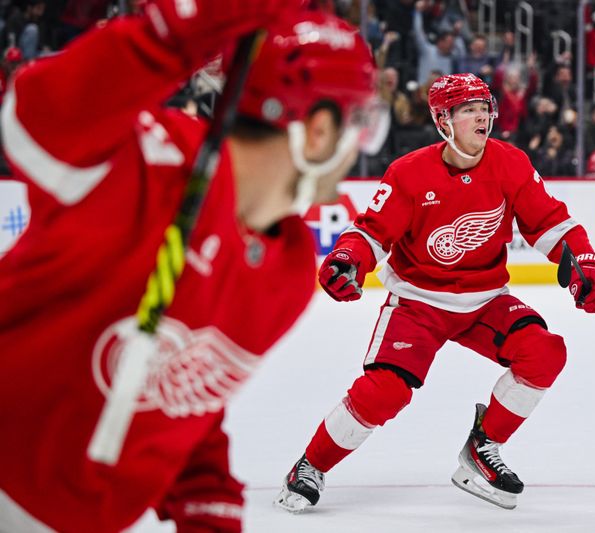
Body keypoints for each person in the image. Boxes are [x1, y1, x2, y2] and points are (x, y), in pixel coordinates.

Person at [0, 4, 382, 532]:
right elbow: (32, 117)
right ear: (318, 131)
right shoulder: (155, 158)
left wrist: (206, 491)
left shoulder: (289, 268)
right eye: (360, 123)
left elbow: (178, 382)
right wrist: (182, 26)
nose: (360, 147)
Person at [273, 73, 595, 513]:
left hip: (486, 299)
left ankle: (482, 448)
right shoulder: (409, 173)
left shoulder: (510, 163)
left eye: (484, 107)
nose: (482, 116)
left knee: (545, 352)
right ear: (442, 121)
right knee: (386, 391)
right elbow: (371, 232)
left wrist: (585, 261)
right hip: (418, 302)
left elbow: (551, 224)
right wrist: (348, 260)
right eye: (468, 109)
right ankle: (310, 465)